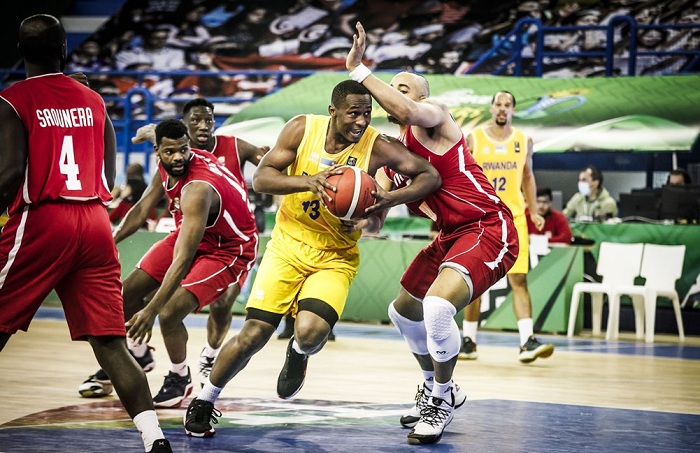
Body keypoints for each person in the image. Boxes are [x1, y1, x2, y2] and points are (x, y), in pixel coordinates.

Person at [182, 79, 441, 439]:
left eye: (367, 113)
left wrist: (384, 204)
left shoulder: (378, 146)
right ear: (333, 111)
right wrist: (310, 182)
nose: (361, 121)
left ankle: (299, 352)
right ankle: (205, 399)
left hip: (335, 255)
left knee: (310, 333)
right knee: (254, 333)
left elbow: (430, 175)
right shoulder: (302, 129)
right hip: (288, 245)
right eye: (353, 113)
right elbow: (262, 178)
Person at [0, 15, 171, 453]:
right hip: (94, 221)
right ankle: (154, 438)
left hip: (44, 219)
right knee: (111, 343)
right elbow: (109, 176)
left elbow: (10, 173)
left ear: (19, 51)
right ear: (64, 50)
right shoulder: (93, 101)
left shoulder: (13, 99)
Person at [343, 22, 519, 445]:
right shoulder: (392, 156)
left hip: (487, 225)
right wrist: (354, 213)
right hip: (449, 236)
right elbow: (377, 218)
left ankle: (440, 400)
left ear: (421, 98)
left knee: (437, 308)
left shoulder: (435, 117)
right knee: (403, 311)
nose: (393, 93)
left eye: (403, 89)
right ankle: (437, 385)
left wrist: (359, 70)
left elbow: (406, 112)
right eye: (392, 88)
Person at [80, 98, 269, 398]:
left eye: (183, 150)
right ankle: (138, 354)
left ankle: (181, 378)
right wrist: (108, 242)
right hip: (193, 233)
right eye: (170, 151)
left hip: (230, 248)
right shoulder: (166, 153)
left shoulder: (198, 188)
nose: (179, 157)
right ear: (158, 151)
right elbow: (142, 208)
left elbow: (182, 259)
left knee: (168, 312)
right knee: (127, 294)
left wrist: (151, 311)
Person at [460, 91, 554, 365]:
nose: (502, 109)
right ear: (491, 108)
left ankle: (527, 341)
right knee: (475, 282)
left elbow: (528, 176)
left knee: (519, 279)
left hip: (514, 219)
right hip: (483, 219)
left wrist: (533, 211)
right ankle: (469, 341)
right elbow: (463, 178)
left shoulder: (523, 140)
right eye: (498, 104)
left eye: (507, 105)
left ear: (513, 110)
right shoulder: (474, 138)